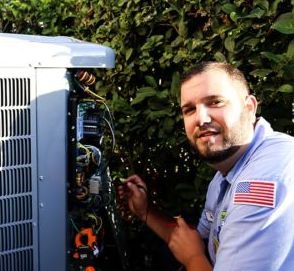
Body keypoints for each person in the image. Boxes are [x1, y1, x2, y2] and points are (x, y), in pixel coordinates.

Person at [118, 61, 294, 271]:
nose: (201, 119)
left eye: (215, 102)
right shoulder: (227, 172)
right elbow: (197, 241)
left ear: (249, 107)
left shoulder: (267, 176)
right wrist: (145, 210)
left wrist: (193, 258)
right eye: (189, 109)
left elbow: (193, 251)